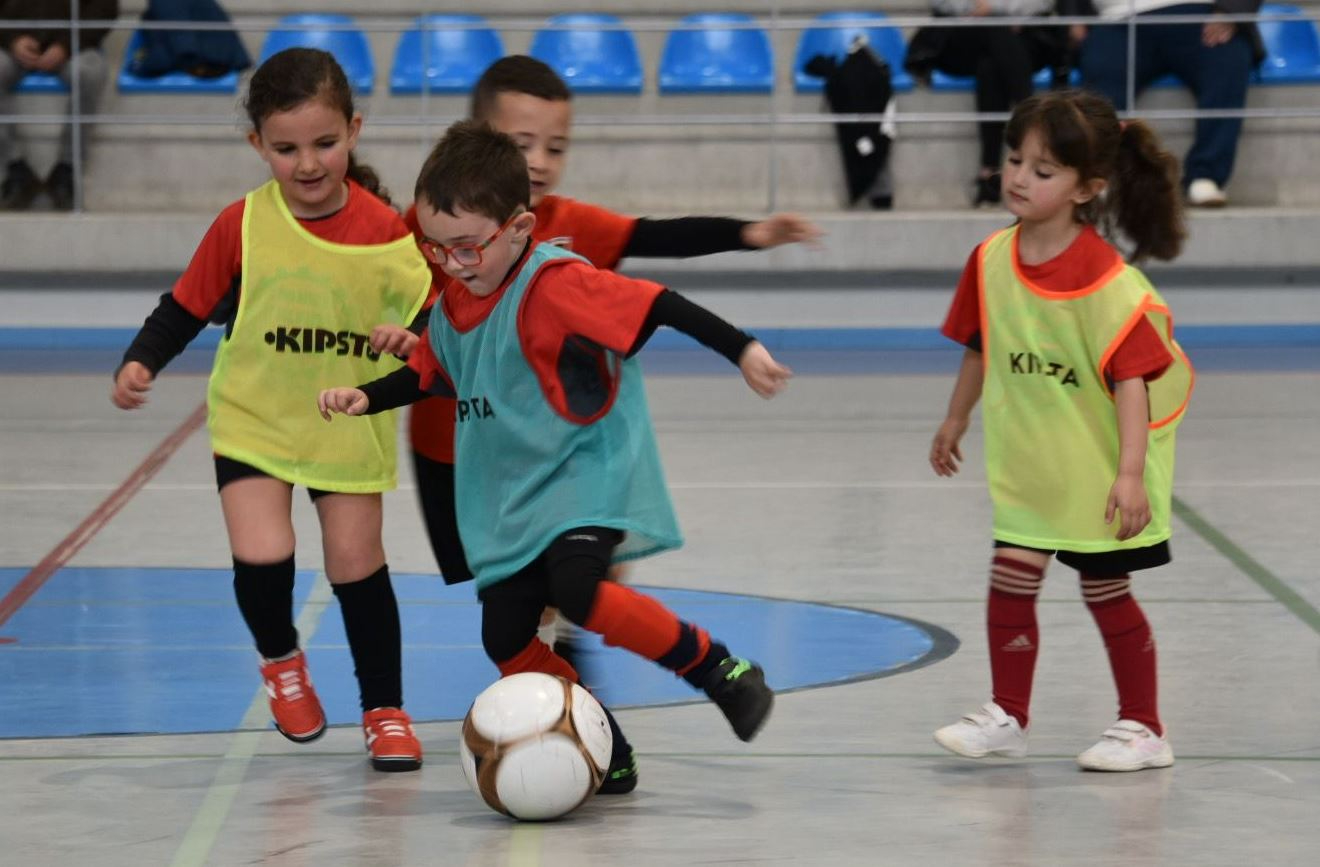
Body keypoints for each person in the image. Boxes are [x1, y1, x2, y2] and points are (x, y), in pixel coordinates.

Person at [319, 120, 786, 779]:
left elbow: (661, 305)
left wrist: (741, 347)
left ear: (518, 228)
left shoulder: (558, 283)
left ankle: (719, 669)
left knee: (579, 588)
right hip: (512, 495)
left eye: (467, 247)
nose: (451, 262)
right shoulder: (454, 304)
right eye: (437, 249)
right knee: (504, 637)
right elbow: (434, 373)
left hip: (582, 472)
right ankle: (604, 745)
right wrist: (368, 396)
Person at [393, 54, 819, 679]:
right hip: (457, 447)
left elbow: (659, 236)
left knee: (562, 577)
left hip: (548, 448)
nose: (539, 160)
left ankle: (567, 688)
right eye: (522, 143)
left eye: (555, 146)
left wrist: (750, 232)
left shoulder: (567, 227)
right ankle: (558, 677)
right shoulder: (425, 226)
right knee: (507, 598)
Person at [110, 48, 432, 772]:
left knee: (357, 566)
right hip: (253, 415)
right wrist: (142, 358)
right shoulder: (243, 224)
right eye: (285, 149)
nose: (308, 163)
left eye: (324, 143)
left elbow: (435, 330)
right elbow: (186, 304)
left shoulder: (387, 232)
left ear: (354, 129)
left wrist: (411, 340)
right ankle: (281, 659)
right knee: (263, 556)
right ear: (258, 144)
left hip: (346, 421)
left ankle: (384, 709)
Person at [928, 90, 1194, 771]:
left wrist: (1130, 473)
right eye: (1015, 158)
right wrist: (955, 417)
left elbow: (1132, 382)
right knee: (1010, 580)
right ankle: (1008, 712)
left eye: (1043, 170)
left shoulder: (1111, 283)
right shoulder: (990, 260)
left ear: (1089, 188)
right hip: (1033, 471)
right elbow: (982, 346)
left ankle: (1145, 726)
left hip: (1099, 474)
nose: (1019, 176)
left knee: (1106, 592)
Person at [1063, 0, 1265, 206]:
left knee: (1228, 61)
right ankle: (1101, 176)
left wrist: (1229, 12)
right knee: (1101, 73)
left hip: (1202, 12)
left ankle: (1206, 176)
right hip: (1116, 19)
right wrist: (1074, 18)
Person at [905, 0, 1068, 207]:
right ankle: (1033, 119)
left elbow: (1041, 3)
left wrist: (997, 8)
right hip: (963, 36)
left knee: (990, 66)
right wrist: (978, 9)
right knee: (995, 30)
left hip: (1025, 36)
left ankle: (988, 173)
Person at [0, 0, 117, 210]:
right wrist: (12, 39)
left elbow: (105, 8)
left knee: (91, 72)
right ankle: (14, 167)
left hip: (74, 48)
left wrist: (66, 44)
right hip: (9, 47)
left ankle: (67, 168)